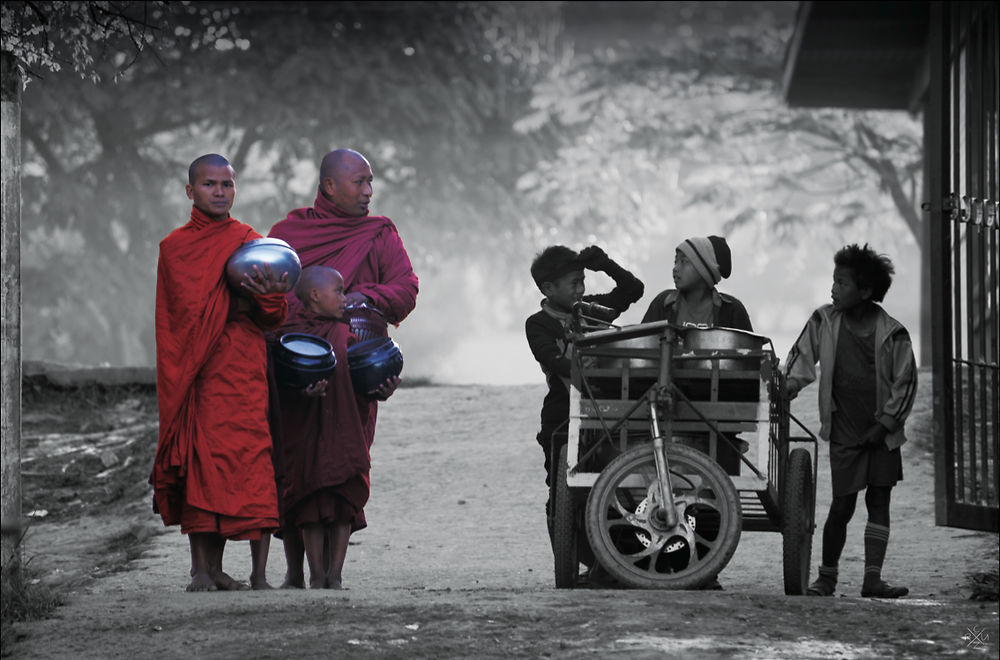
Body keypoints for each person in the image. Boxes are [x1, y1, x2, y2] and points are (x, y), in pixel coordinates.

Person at [151, 154, 289, 592]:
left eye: (227, 185)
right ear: (190, 191)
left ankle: (259, 574)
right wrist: (234, 305)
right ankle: (202, 570)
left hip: (243, 369)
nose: (219, 192)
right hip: (196, 373)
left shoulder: (251, 242)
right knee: (201, 463)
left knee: (250, 460)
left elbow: (274, 315)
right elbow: (178, 317)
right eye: (210, 184)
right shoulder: (174, 248)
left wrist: (266, 298)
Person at [783, 243, 917, 599]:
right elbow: (800, 361)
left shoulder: (894, 334)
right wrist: (785, 390)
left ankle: (872, 579)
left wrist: (884, 425)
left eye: (842, 283)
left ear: (867, 291)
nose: (833, 289)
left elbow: (905, 385)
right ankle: (826, 577)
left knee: (879, 501)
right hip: (845, 431)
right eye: (834, 281)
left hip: (882, 435)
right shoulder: (824, 321)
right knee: (841, 504)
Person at [268, 148, 418, 456]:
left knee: (346, 468)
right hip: (300, 371)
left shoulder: (379, 234)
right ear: (330, 186)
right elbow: (271, 308)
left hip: (358, 374)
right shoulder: (288, 236)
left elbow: (405, 290)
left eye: (370, 182)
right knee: (295, 473)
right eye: (359, 182)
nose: (368, 192)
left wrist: (365, 296)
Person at [270, 266, 399, 589]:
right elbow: (278, 381)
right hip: (304, 429)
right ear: (315, 295)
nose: (345, 297)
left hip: (344, 427)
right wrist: (301, 391)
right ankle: (315, 576)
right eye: (338, 291)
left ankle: (336, 575)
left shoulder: (346, 333)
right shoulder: (290, 333)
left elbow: (359, 378)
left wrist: (380, 388)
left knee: (344, 501)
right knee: (309, 500)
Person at [525, 244, 644, 582]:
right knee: (561, 492)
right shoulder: (537, 324)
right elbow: (554, 360)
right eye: (573, 283)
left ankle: (610, 567)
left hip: (605, 414)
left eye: (582, 281)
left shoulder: (591, 310)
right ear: (548, 289)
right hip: (562, 414)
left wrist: (605, 264)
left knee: (610, 487)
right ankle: (570, 563)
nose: (581, 289)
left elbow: (633, 290)